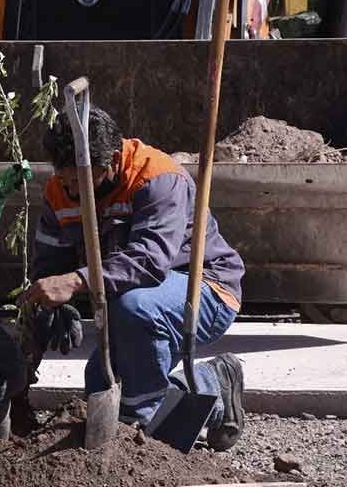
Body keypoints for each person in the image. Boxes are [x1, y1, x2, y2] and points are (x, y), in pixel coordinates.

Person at [19, 107, 246, 451]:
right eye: (63, 179)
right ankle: (213, 382)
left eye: (80, 179)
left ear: (111, 159)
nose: (70, 189)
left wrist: (76, 282)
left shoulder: (157, 177)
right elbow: (50, 262)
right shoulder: (60, 190)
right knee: (98, 383)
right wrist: (55, 306)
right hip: (131, 301)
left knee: (133, 312)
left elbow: (150, 261)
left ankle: (140, 430)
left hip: (205, 289)